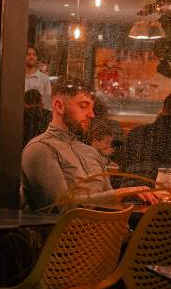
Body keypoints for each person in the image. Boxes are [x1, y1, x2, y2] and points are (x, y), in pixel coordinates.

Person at [21, 77, 112, 210]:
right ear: (59, 106)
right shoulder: (40, 148)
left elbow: (112, 204)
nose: (92, 115)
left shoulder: (90, 151)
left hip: (105, 228)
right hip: (65, 230)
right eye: (83, 106)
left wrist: (127, 196)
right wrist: (118, 194)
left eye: (92, 108)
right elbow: (60, 207)